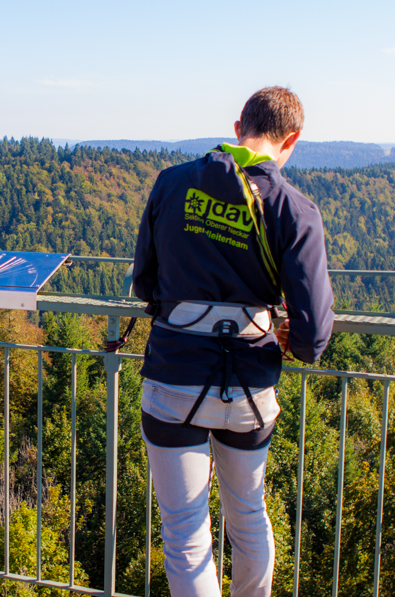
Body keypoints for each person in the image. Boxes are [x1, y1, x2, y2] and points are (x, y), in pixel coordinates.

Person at [132, 86, 333, 596]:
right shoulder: (296, 209)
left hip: (173, 378)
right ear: (292, 139)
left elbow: (144, 284)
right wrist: (292, 337)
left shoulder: (172, 184)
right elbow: (313, 334)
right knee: (247, 514)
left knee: (185, 531)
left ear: (239, 123)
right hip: (248, 387)